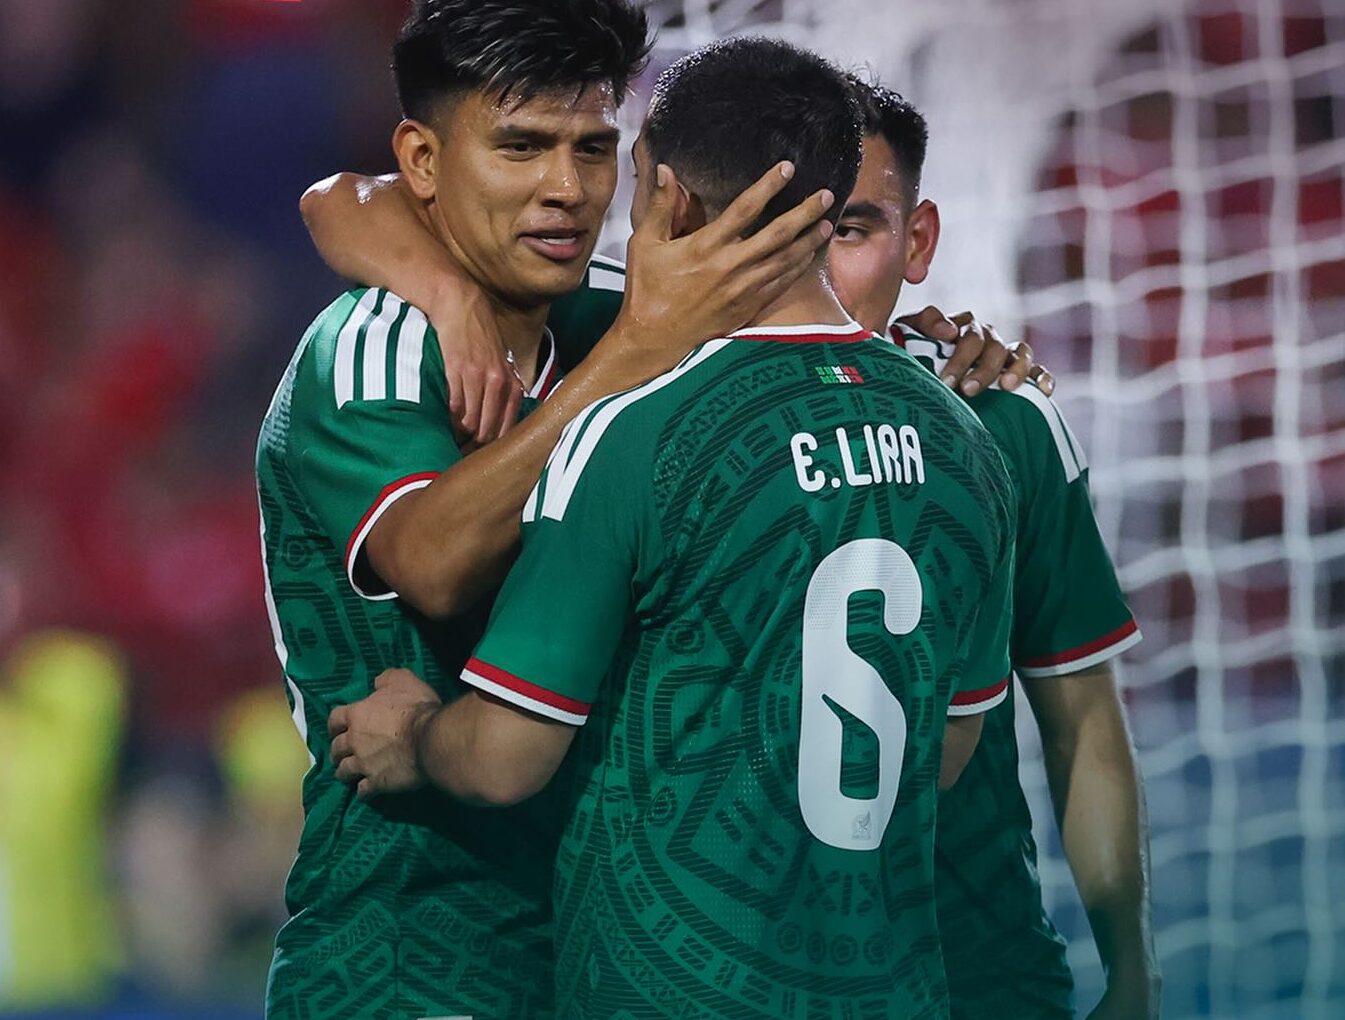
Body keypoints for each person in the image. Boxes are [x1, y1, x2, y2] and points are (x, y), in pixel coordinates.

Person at [332, 36, 1017, 1018]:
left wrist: (413, 735)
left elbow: (504, 760)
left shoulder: (633, 433)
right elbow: (942, 754)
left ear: (673, 203)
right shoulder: (966, 438)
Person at [255, 1, 839, 1017]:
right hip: (417, 952)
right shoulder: (375, 347)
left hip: (621, 943)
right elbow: (432, 562)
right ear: (423, 161)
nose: (566, 189)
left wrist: (952, 356)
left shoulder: (613, 312)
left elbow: (810, 346)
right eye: (520, 148)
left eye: (592, 149)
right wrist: (628, 358)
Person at [824, 78, 1159, 1020]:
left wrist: (1132, 970)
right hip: (730, 974)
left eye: (849, 229)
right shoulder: (652, 418)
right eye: (785, 228)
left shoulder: (1002, 420)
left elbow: (1080, 715)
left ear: (916, 241)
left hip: (975, 970)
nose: (813, 270)